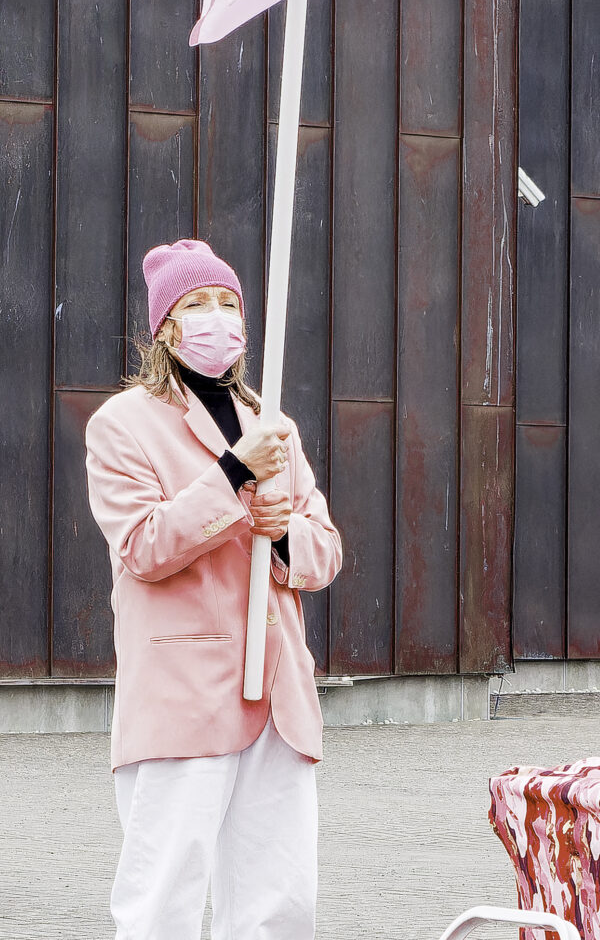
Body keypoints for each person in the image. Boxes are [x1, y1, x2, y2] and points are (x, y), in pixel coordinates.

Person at [85, 239, 342, 940]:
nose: (216, 317)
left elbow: (323, 552)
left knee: (277, 901)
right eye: (197, 304)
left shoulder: (273, 423)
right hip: (184, 691)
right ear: (165, 326)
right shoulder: (123, 425)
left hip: (277, 696)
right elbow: (143, 547)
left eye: (227, 303)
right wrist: (231, 476)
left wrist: (282, 532)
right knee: (163, 894)